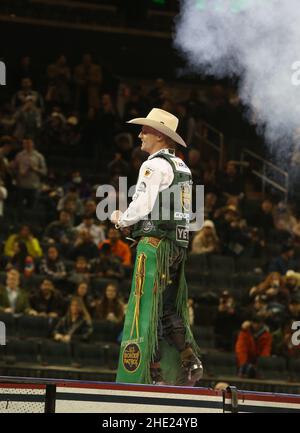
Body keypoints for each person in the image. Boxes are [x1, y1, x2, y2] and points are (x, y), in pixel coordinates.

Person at [111, 108, 203, 386]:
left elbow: (143, 203)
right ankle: (188, 358)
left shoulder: (153, 165)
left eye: (145, 130)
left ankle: (149, 369)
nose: (140, 134)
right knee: (167, 305)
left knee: (145, 304)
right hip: (176, 244)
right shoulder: (182, 167)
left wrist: (121, 219)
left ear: (161, 136)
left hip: (155, 243)